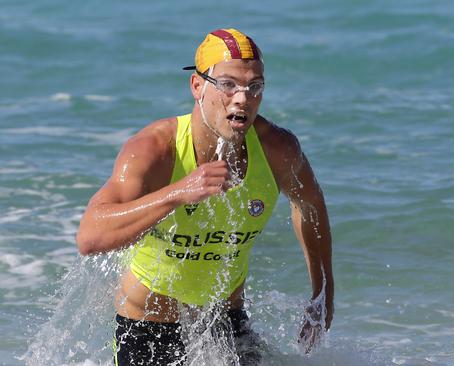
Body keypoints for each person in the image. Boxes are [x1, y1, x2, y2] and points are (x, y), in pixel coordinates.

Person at [76, 28, 333, 365]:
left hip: (225, 323)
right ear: (197, 86)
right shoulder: (154, 149)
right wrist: (178, 193)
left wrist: (323, 292)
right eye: (227, 84)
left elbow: (309, 204)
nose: (242, 98)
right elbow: (90, 236)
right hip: (149, 326)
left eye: (254, 86)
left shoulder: (278, 150)